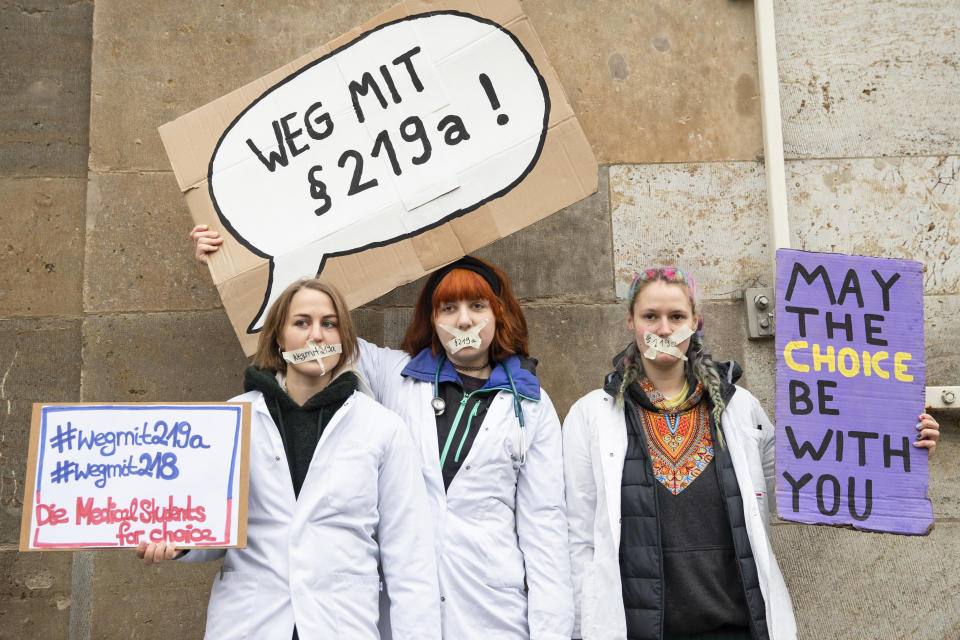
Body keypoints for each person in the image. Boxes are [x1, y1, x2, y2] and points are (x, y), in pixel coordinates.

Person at [191, 226, 574, 638]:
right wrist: (233, 256)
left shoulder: (531, 405)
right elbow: (313, 328)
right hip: (394, 611)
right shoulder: (397, 374)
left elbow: (545, 527)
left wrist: (552, 631)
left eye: (477, 306)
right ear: (432, 320)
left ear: (500, 314)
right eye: (447, 309)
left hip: (490, 608)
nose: (463, 320)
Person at [561, 267, 939, 640]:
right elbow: (579, 536)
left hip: (736, 626)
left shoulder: (741, 408)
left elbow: (801, 485)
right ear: (631, 321)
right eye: (650, 316)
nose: (663, 329)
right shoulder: (592, 414)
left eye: (676, 316)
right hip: (634, 628)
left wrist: (900, 441)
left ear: (695, 322)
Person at [136, 278, 441, 640]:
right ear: (279, 338)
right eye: (301, 323)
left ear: (343, 339)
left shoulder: (382, 427)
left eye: (329, 324)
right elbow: (214, 530)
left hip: (341, 623)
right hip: (250, 622)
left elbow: (410, 557)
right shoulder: (233, 419)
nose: (316, 335)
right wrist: (182, 541)